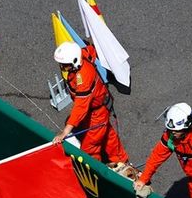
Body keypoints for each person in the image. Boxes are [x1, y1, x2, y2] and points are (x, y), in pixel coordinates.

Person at [51, 41, 132, 174]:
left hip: (96, 113)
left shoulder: (83, 78)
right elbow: (92, 50)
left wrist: (65, 132)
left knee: (90, 148)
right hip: (97, 108)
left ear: (74, 62)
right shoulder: (82, 54)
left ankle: (94, 173)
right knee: (107, 134)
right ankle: (121, 161)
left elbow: (80, 107)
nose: (63, 68)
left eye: (65, 65)